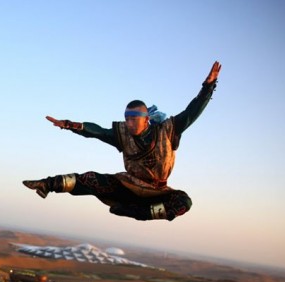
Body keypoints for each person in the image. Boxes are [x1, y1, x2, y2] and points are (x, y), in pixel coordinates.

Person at [23, 61, 222, 221]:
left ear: (146, 119)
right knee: (91, 179)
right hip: (127, 186)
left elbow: (192, 111)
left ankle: (138, 213)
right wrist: (69, 124)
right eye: (127, 119)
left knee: (183, 202)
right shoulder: (122, 135)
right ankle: (47, 184)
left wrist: (208, 86)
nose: (129, 123)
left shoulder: (168, 131)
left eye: (133, 119)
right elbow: (98, 132)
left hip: (156, 193)